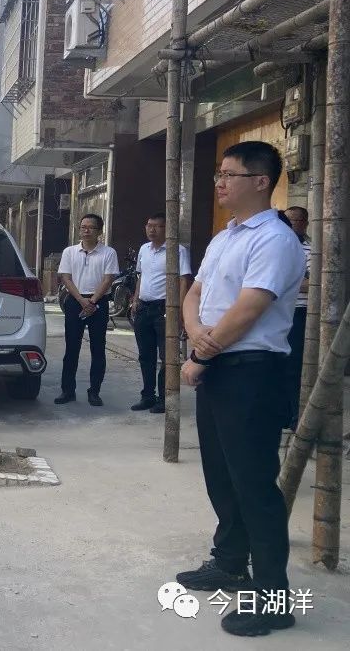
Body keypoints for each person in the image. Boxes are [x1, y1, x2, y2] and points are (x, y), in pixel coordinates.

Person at [175, 141, 305, 637]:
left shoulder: (274, 239)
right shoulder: (225, 236)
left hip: (251, 371)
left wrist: (200, 355)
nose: (221, 183)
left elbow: (250, 308)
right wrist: (195, 334)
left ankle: (274, 599)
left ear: (261, 181)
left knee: (254, 484)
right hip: (217, 365)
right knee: (221, 474)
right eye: (219, 174)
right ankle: (230, 562)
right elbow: (195, 293)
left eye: (230, 174)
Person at [129, 213, 192, 414]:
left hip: (165, 309)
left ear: (168, 229)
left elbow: (183, 281)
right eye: (149, 225)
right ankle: (147, 395)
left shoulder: (177, 250)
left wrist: (180, 311)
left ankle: (165, 398)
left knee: (167, 356)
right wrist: (135, 299)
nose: (152, 229)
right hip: (144, 308)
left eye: (158, 226)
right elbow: (141, 276)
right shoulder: (144, 249)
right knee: (145, 355)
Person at [56, 213, 120, 406]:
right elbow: (66, 278)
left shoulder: (108, 253)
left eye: (91, 227)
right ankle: (68, 391)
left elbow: (108, 279)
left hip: (98, 302)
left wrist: (92, 301)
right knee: (71, 348)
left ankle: (94, 391)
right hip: (75, 301)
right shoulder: (69, 252)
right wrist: (81, 300)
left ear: (99, 231)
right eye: (83, 226)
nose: (86, 230)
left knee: (98, 348)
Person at [282, 206, 310, 428]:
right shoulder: (278, 245)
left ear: (305, 224)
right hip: (274, 312)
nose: (290, 225)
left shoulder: (311, 250)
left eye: (295, 221)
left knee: (294, 365)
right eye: (287, 220)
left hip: (299, 312)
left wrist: (284, 283)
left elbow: (313, 283)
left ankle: (294, 415)